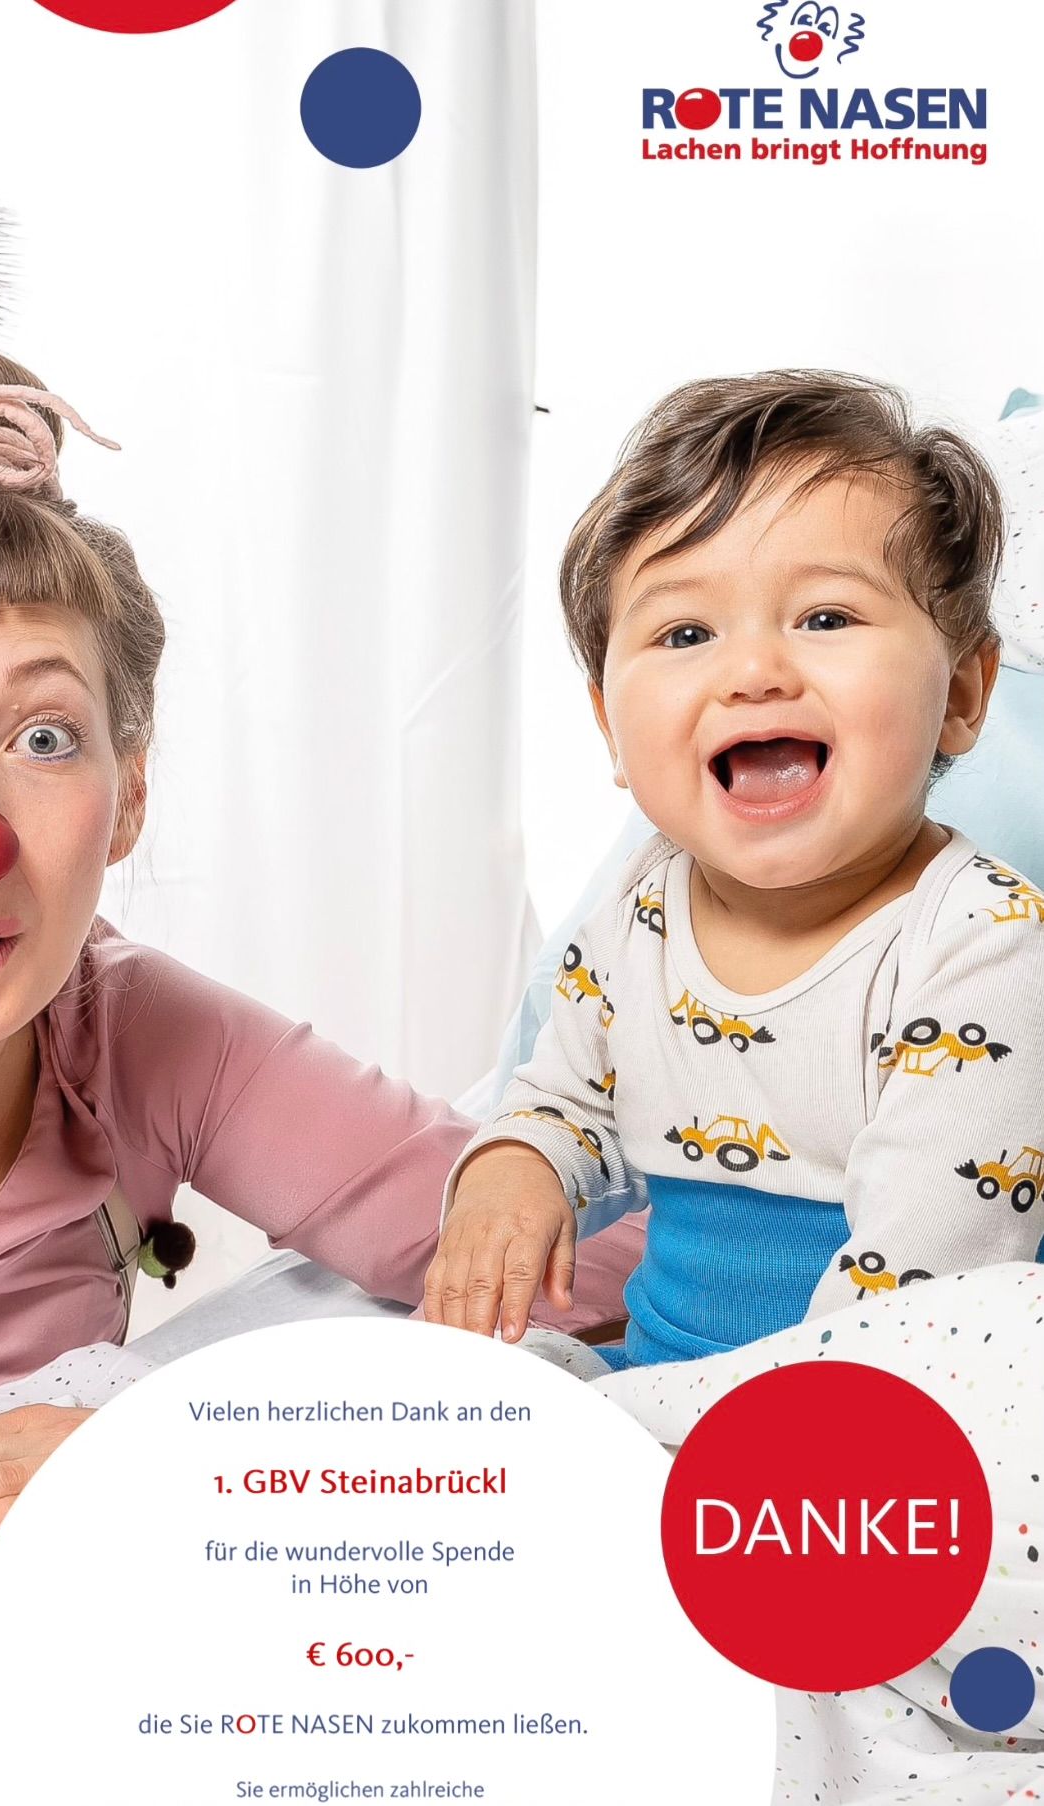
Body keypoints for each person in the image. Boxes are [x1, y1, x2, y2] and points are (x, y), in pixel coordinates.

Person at [424, 370, 1044, 1368]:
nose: (754, 671)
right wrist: (514, 1168)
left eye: (827, 619)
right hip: (667, 1375)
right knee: (453, 1416)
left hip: (900, 1397)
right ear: (611, 731)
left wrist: (735, 1444)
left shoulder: (984, 944)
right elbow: (565, 1094)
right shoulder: (641, 914)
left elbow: (917, 1290)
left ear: (966, 693)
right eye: (686, 633)